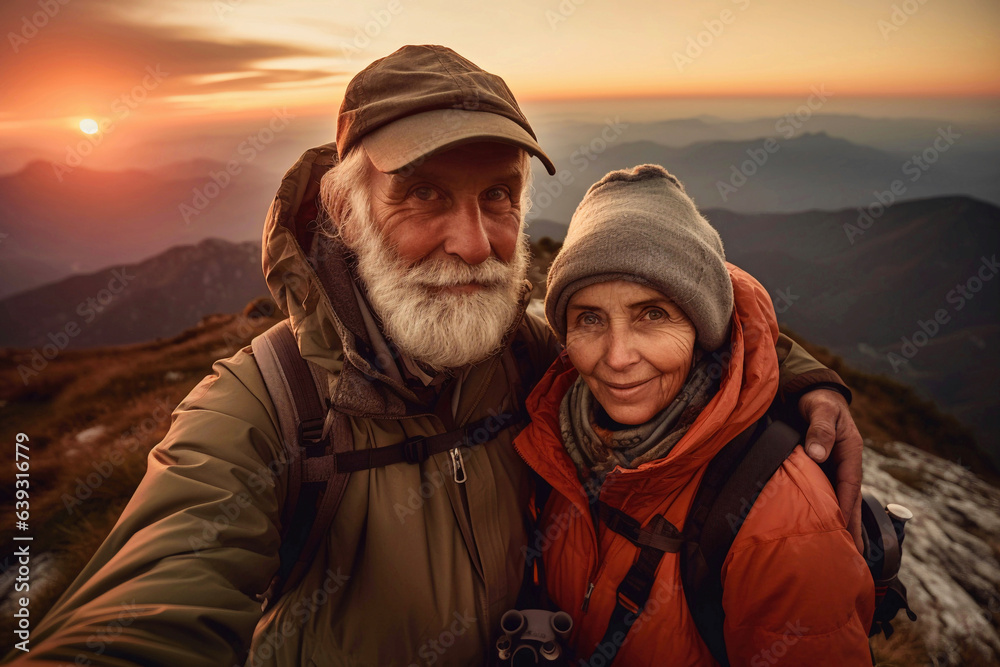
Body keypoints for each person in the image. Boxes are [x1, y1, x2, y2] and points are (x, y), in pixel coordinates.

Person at [5, 46, 862, 667]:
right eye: (422, 195)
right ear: (345, 211)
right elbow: (149, 609)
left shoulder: (529, 355)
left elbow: (664, 316)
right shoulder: (262, 411)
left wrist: (796, 375)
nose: (473, 241)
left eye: (499, 196)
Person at [513, 164, 874, 666]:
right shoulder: (554, 439)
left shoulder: (783, 526)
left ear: (704, 328)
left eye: (653, 314)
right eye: (590, 318)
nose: (617, 356)